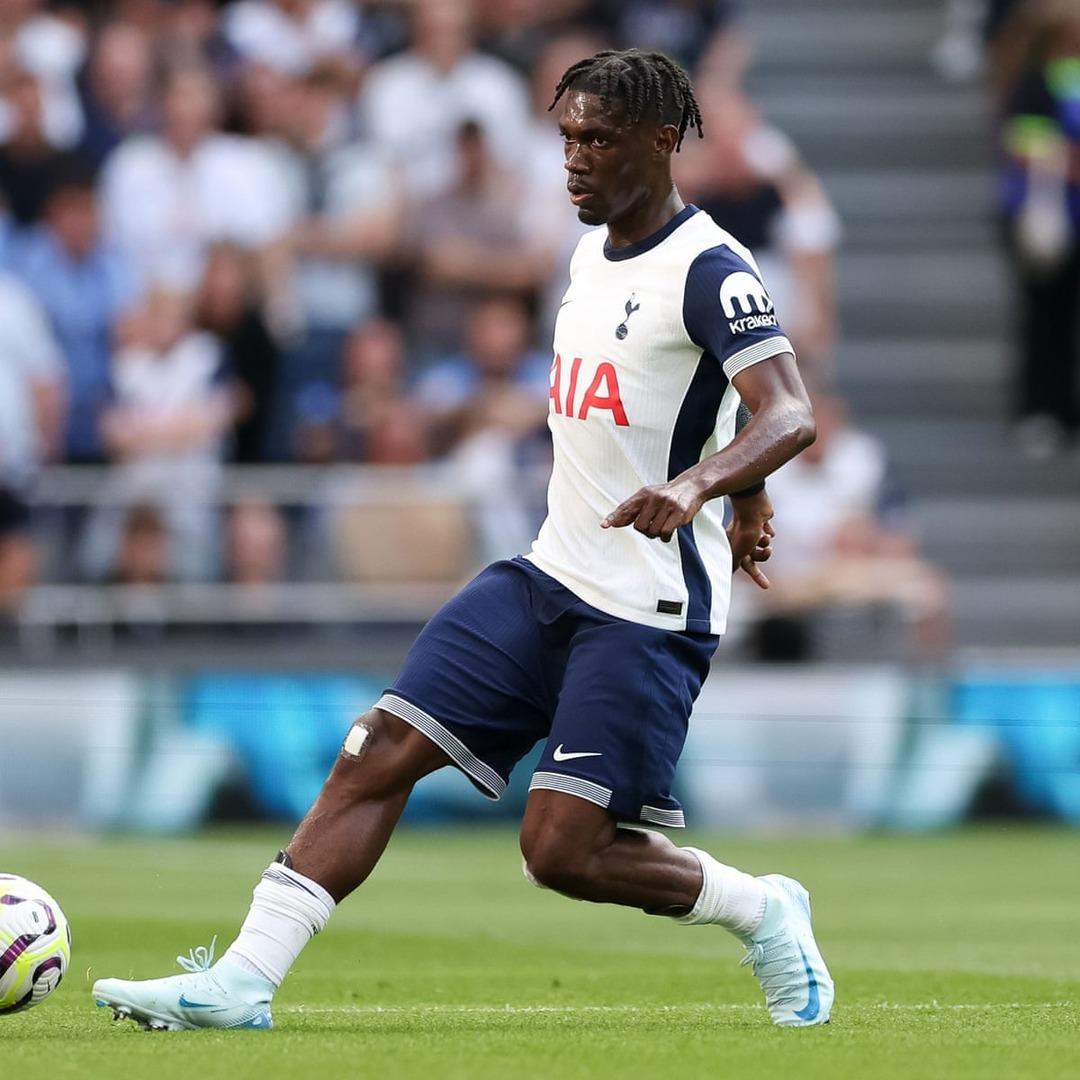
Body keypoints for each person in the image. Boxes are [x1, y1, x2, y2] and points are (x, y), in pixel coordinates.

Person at [92, 48, 833, 1031]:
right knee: (376, 748)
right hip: (549, 572)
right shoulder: (587, 251)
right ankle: (241, 981)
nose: (574, 159)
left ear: (662, 142)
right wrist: (744, 495)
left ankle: (765, 909)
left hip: (645, 607)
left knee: (561, 851)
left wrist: (705, 486)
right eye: (566, 137)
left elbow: (787, 411)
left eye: (599, 140)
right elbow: (699, 402)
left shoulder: (710, 268)